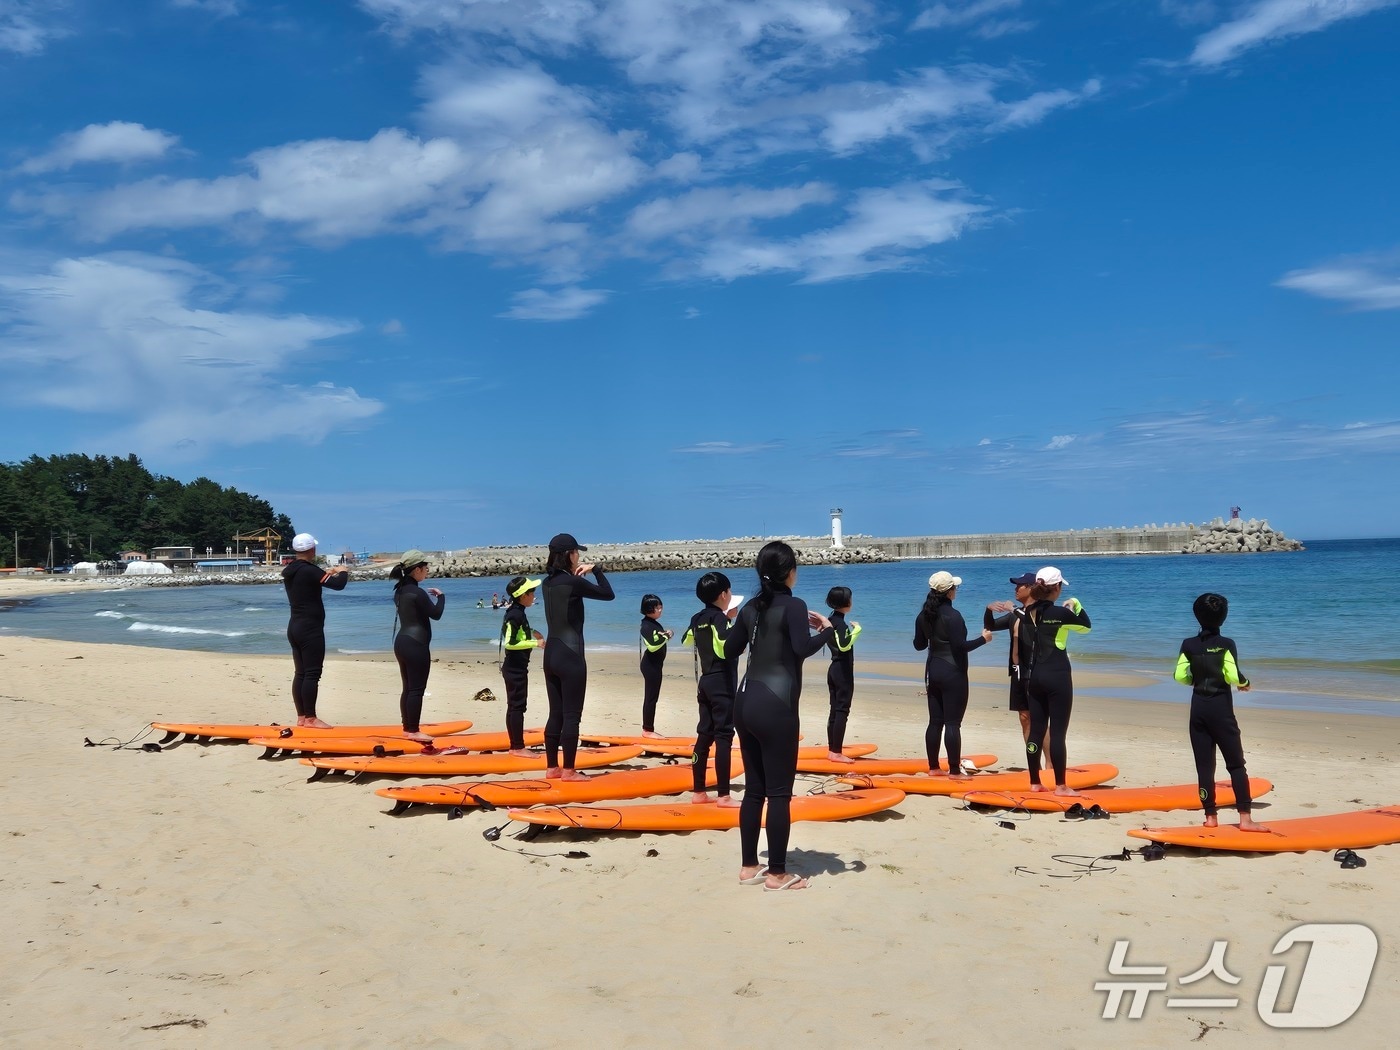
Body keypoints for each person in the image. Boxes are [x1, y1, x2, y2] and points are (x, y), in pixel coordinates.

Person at [731, 541, 833, 892]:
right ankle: (776, 874)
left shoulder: (750, 609)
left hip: (744, 702)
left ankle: (748, 867)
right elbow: (801, 650)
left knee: (754, 791)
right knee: (778, 793)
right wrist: (828, 630)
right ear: (789, 571)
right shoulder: (795, 605)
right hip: (776, 707)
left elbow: (730, 650)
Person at [1175, 593, 1268, 831]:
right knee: (1236, 764)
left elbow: (1180, 676)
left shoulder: (1188, 645)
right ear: (1223, 618)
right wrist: (1244, 682)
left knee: (1204, 767)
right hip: (1221, 710)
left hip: (1198, 709)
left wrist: (1196, 678)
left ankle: (1210, 817)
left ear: (1196, 616)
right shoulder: (1227, 644)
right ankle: (1245, 819)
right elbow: (1233, 674)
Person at [540, 533, 615, 780]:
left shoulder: (546, 583)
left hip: (550, 653)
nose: (580, 556)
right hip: (571, 655)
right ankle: (569, 770)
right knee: (572, 715)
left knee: (555, 714)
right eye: (577, 552)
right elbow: (608, 594)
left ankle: (552, 768)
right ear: (569, 555)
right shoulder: (574, 583)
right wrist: (597, 570)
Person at [913, 571, 991, 777]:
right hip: (953, 672)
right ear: (949, 592)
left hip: (933, 670)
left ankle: (933, 768)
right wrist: (984, 639)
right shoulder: (953, 616)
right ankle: (954, 770)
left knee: (935, 722)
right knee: (953, 723)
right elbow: (960, 647)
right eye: (955, 587)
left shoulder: (923, 615)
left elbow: (919, 645)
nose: (956, 590)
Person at [1022, 566, 1091, 795]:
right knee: (1058, 732)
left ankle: (1035, 782)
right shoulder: (1060, 614)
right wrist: (1076, 605)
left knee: (1036, 731)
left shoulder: (1029, 611)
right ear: (1057, 588)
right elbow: (1085, 627)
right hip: (1058, 676)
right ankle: (1061, 785)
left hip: (1035, 676)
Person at [683, 572, 741, 807]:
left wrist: (725, 620)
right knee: (724, 737)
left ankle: (699, 792)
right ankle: (724, 795)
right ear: (723, 594)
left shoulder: (697, 618)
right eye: (729, 592)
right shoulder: (720, 619)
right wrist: (732, 623)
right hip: (722, 683)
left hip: (705, 681)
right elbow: (725, 648)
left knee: (704, 736)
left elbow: (688, 639)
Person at [281, 532, 349, 728]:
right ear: (312, 549)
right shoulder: (310, 570)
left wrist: (329, 572)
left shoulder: (292, 569)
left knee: (301, 673)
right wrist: (343, 571)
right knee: (312, 673)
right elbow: (338, 585)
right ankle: (311, 718)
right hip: (310, 628)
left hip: (295, 626)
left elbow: (315, 578)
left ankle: (302, 717)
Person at [984, 572, 1050, 755]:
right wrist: (988, 609)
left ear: (1030, 588)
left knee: (1039, 719)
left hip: (1035, 671)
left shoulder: (1040, 610)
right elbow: (991, 626)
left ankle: (1051, 763)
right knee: (1024, 718)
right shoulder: (1015, 615)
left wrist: (1013, 608)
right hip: (1017, 671)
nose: (1015, 589)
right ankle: (1033, 760)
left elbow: (1033, 624)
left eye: (1019, 585)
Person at [391, 549, 445, 744]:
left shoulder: (400, 590)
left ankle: (408, 728)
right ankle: (413, 731)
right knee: (416, 690)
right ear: (417, 570)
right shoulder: (418, 593)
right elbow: (436, 614)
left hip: (401, 642)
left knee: (408, 688)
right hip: (416, 644)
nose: (428, 570)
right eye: (425, 567)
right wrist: (442, 597)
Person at [500, 575, 545, 757]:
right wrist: (537, 643)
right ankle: (517, 747)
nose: (534, 595)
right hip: (514, 668)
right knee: (517, 707)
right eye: (532, 592)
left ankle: (515, 746)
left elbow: (518, 631)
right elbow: (510, 643)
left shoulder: (517, 611)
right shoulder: (515, 614)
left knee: (514, 706)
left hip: (516, 667)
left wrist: (533, 631)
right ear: (522, 596)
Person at [823, 586, 862, 763]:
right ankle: (836, 751)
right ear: (846, 603)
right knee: (842, 710)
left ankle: (833, 749)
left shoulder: (830, 620)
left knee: (835, 709)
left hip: (834, 669)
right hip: (842, 671)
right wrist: (857, 630)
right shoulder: (839, 623)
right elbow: (844, 645)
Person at [638, 594, 673, 737]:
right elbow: (652, 645)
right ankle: (647, 730)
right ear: (648, 609)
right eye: (657, 607)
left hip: (655, 665)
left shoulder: (652, 623)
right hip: (650, 665)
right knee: (651, 697)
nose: (660, 609)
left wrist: (664, 634)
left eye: (660, 606)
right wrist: (667, 635)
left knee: (653, 697)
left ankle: (648, 729)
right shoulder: (646, 625)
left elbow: (656, 637)